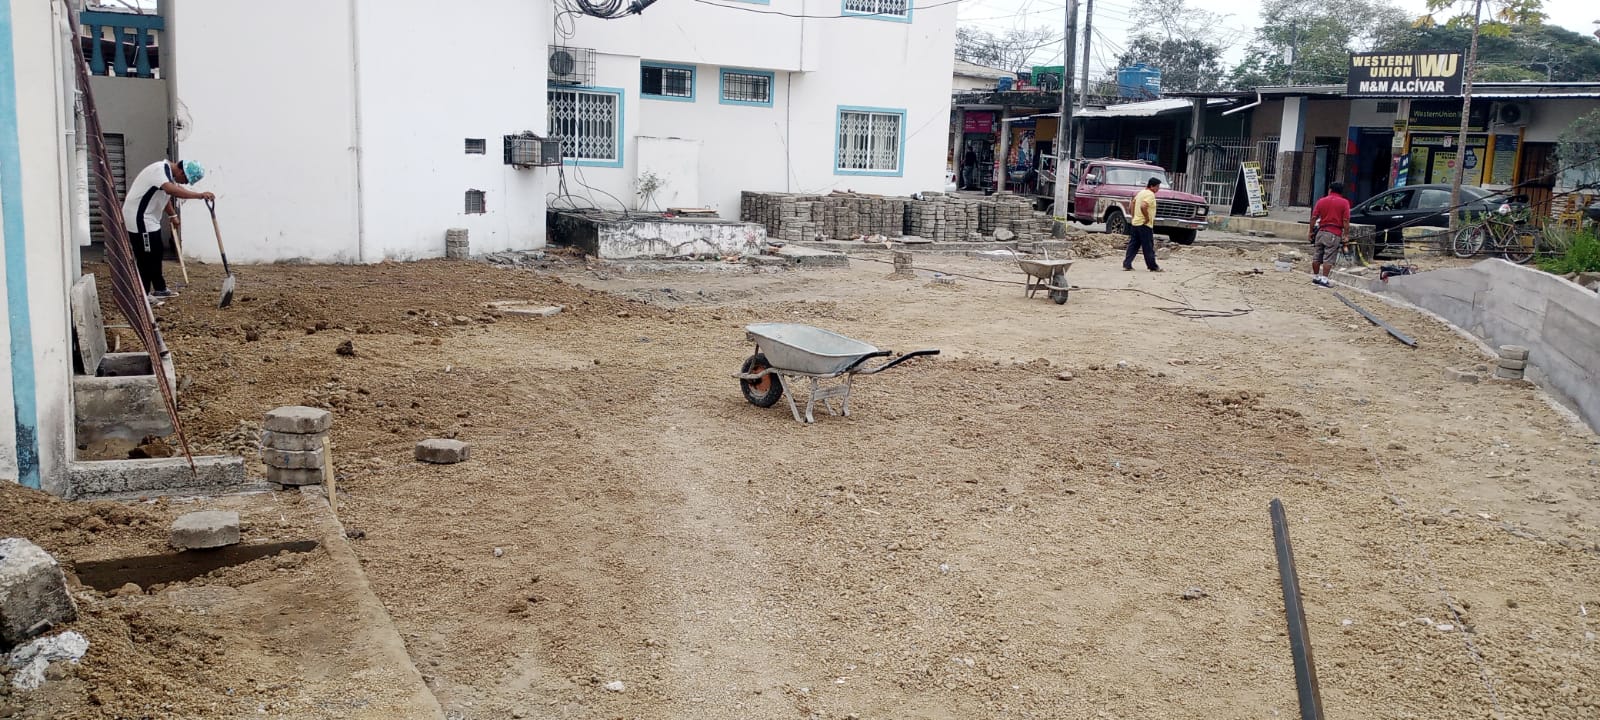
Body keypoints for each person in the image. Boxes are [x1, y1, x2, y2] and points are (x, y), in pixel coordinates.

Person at [121, 159, 212, 299]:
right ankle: (143, 294)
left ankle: (160, 289)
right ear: (182, 172)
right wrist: (199, 195)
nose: (185, 183)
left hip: (150, 219)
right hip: (139, 218)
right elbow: (170, 190)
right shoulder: (160, 170)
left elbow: (165, 196)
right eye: (186, 180)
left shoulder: (168, 175)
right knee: (146, 257)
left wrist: (172, 215)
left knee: (156, 253)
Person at [1308, 181, 1351, 287]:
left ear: (1330, 190)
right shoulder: (1344, 203)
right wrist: (1346, 235)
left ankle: (1316, 277)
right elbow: (1346, 220)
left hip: (1321, 231)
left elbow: (1314, 217)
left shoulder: (1321, 201)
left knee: (1317, 255)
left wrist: (1310, 231)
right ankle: (1324, 280)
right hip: (1334, 233)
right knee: (1329, 257)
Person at [1122, 177, 1163, 272]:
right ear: (1152, 186)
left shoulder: (1141, 192)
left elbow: (1132, 204)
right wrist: (1147, 217)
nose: (1158, 189)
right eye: (1157, 186)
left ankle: (1127, 264)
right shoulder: (1150, 194)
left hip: (1136, 223)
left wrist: (1133, 216)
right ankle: (1152, 266)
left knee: (1133, 245)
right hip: (1145, 224)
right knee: (1148, 246)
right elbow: (1143, 205)